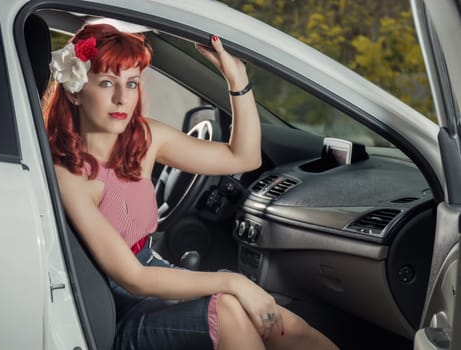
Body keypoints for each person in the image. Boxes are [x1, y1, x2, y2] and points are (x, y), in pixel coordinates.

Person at [43, 23, 338, 350]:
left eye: (131, 84)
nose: (121, 98)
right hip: (116, 310)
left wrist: (237, 80)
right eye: (107, 83)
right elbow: (134, 279)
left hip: (155, 272)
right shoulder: (69, 174)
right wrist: (234, 281)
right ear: (74, 90)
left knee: (281, 324)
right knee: (230, 309)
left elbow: (243, 157)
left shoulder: (144, 137)